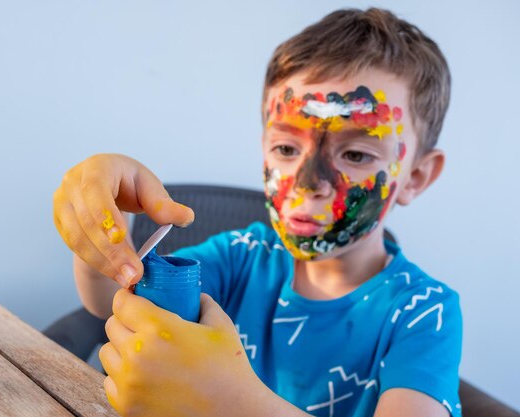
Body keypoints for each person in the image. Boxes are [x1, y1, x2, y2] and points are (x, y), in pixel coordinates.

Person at [52, 7, 461, 417]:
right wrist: (105, 232)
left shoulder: (424, 313)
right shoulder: (242, 257)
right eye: (286, 148)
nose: (307, 182)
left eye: (355, 153)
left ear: (416, 176)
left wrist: (232, 403)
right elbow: (111, 301)